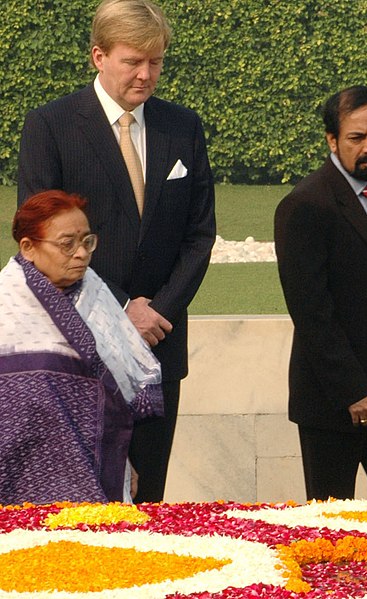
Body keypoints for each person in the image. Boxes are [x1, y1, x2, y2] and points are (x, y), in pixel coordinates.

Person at [16, 0, 216, 502]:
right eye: (134, 61)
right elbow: (42, 239)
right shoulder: (50, 126)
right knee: (79, 504)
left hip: (160, 347)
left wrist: (157, 312)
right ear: (98, 56)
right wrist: (125, 307)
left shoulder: (183, 127)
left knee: (150, 502)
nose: (146, 74)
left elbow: (199, 236)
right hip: (78, 345)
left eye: (157, 61)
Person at [274, 85, 367, 500]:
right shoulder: (304, 206)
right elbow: (311, 312)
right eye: (358, 138)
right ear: (332, 140)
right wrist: (354, 391)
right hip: (334, 403)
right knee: (330, 525)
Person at [0, 191, 163, 505]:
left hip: (94, 466)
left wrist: (123, 463)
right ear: (28, 247)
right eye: (67, 244)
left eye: (87, 241)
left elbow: (123, 381)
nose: (81, 254)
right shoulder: (6, 300)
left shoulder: (97, 295)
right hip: (12, 469)